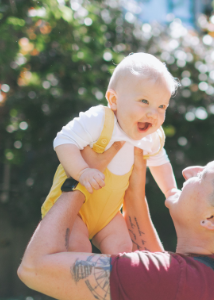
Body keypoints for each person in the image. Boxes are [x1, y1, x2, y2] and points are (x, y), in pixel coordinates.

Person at [18, 138, 214, 300]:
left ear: (212, 219)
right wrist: (135, 184)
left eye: (201, 175)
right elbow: (158, 268)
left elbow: (34, 268)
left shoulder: (172, 279)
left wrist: (79, 179)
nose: (188, 171)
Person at [42, 53, 180, 254]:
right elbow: (64, 141)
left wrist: (171, 192)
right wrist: (83, 172)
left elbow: (160, 162)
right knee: (78, 249)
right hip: (74, 209)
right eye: (144, 101)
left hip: (107, 214)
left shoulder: (151, 137)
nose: (154, 113)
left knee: (123, 250)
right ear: (114, 100)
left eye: (162, 106)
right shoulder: (100, 120)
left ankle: (111, 284)